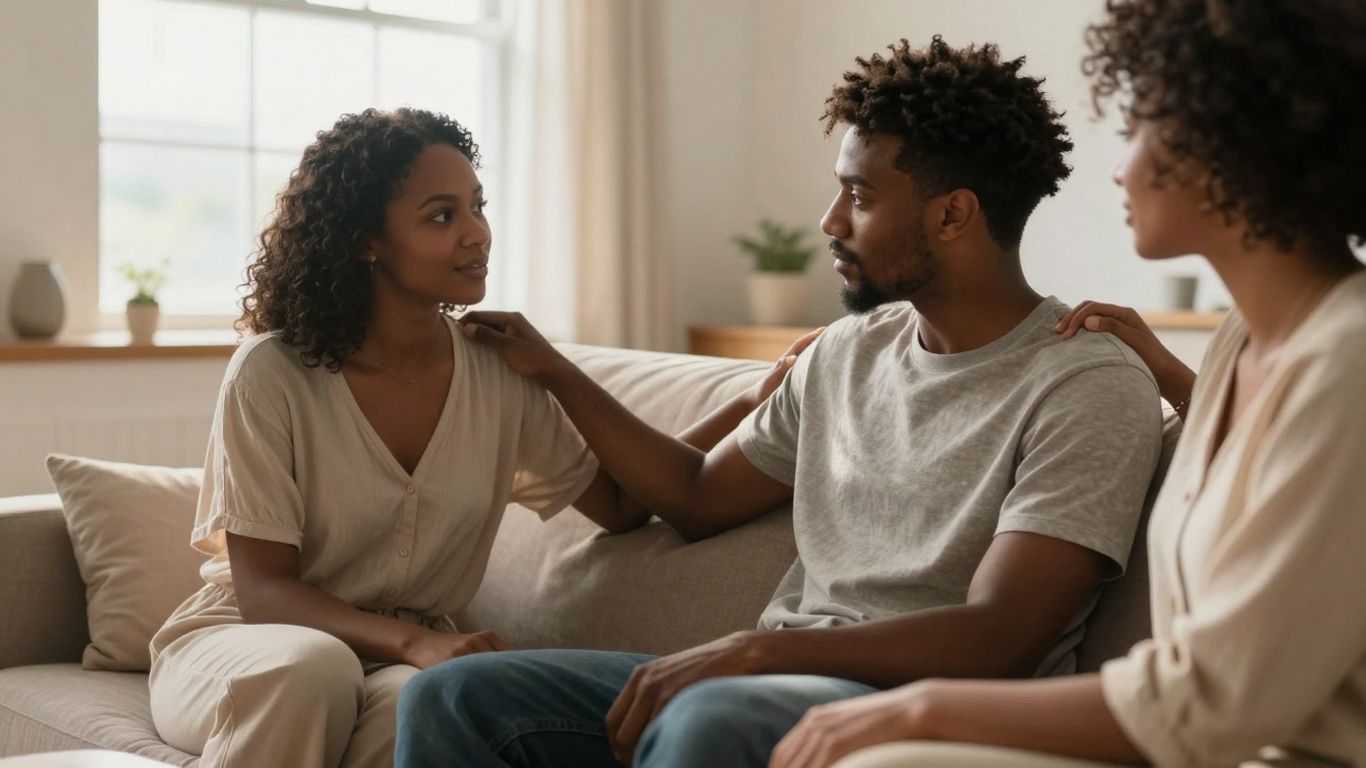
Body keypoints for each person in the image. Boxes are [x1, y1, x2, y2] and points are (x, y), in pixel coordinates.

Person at [394, 37, 1164, 768]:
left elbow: (1003, 636)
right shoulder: (846, 351)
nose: (830, 222)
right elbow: (694, 497)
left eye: (859, 195)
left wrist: (759, 650)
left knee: (712, 715)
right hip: (771, 685)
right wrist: (556, 371)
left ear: (953, 214)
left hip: (926, 711)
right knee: (455, 696)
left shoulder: (1085, 383)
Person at [768, 2, 1366, 766]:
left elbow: (1214, 702)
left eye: (1141, 126)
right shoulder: (1240, 346)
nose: (1119, 166)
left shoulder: (1348, 364)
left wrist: (917, 707)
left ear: (1232, 140)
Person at [145, 107, 804, 768]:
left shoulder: (498, 371)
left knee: (432, 706)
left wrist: (746, 401)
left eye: (478, 207)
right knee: (313, 670)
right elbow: (264, 593)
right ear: (364, 239)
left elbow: (621, 504)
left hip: (391, 662)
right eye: (442, 216)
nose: (477, 235)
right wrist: (412, 642)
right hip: (247, 643)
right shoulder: (272, 372)